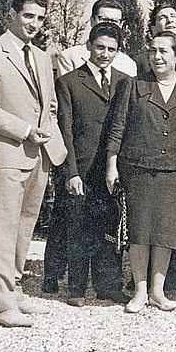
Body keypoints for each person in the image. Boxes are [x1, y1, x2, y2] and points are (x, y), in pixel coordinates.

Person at [0, 0, 68, 327]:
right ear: (11, 14)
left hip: (38, 155)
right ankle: (0, 304)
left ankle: (16, 290)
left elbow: (49, 106)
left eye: (40, 18)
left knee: (24, 228)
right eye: (28, 16)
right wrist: (24, 130)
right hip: (5, 155)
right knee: (3, 229)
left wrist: (49, 139)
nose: (34, 24)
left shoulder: (41, 57)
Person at [106, 32, 176, 313]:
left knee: (164, 233)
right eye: (152, 51)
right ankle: (139, 291)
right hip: (137, 168)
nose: (156, 57)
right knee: (139, 232)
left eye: (163, 51)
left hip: (174, 172)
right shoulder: (134, 86)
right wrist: (111, 165)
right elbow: (117, 129)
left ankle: (157, 292)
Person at [54, 22, 131, 307]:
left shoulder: (125, 82)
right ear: (89, 46)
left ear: (118, 52)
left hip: (113, 168)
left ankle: (108, 285)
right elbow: (66, 131)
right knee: (78, 227)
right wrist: (70, 171)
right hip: (82, 168)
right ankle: (75, 287)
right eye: (100, 47)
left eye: (111, 49)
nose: (105, 54)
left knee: (110, 227)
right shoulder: (70, 82)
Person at [55, 0, 137, 77]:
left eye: (114, 21)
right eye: (103, 19)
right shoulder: (70, 57)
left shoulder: (128, 64)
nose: (108, 25)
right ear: (92, 20)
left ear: (121, 25)